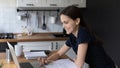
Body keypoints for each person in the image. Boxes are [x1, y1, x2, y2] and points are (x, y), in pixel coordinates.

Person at [38, 5, 116, 68]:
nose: (63, 26)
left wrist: (76, 61)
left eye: (66, 22)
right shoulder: (72, 36)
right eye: (62, 23)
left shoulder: (83, 33)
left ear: (77, 21)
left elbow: (79, 64)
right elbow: (59, 53)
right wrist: (47, 60)